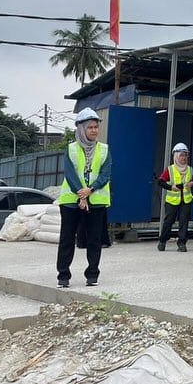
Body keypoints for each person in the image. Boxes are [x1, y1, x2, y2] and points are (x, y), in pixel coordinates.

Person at [56, 107, 112, 288]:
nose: (94, 130)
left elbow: (105, 174)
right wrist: (81, 194)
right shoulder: (71, 149)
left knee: (94, 239)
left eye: (96, 127)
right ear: (81, 128)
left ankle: (92, 275)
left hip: (96, 201)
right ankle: (63, 276)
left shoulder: (104, 149)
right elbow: (70, 174)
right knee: (67, 239)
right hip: (71, 201)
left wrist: (90, 190)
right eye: (90, 127)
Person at [155, 143, 193, 252]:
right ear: (176, 156)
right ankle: (162, 241)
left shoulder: (190, 169)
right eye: (181, 155)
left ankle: (182, 243)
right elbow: (160, 182)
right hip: (172, 201)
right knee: (169, 221)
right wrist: (171, 187)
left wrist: (191, 183)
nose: (184, 158)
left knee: (184, 222)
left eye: (185, 155)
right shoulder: (170, 169)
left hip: (186, 200)